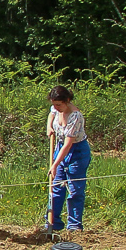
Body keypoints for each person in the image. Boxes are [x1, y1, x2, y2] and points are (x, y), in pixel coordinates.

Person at [45, 84, 91, 232]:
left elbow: (68, 144)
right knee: (56, 187)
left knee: (75, 190)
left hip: (76, 151)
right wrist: (49, 127)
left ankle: (74, 226)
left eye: (59, 104)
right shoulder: (56, 108)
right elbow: (51, 114)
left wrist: (54, 164)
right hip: (59, 148)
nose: (56, 107)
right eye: (54, 104)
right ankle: (53, 224)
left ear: (68, 101)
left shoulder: (76, 116)